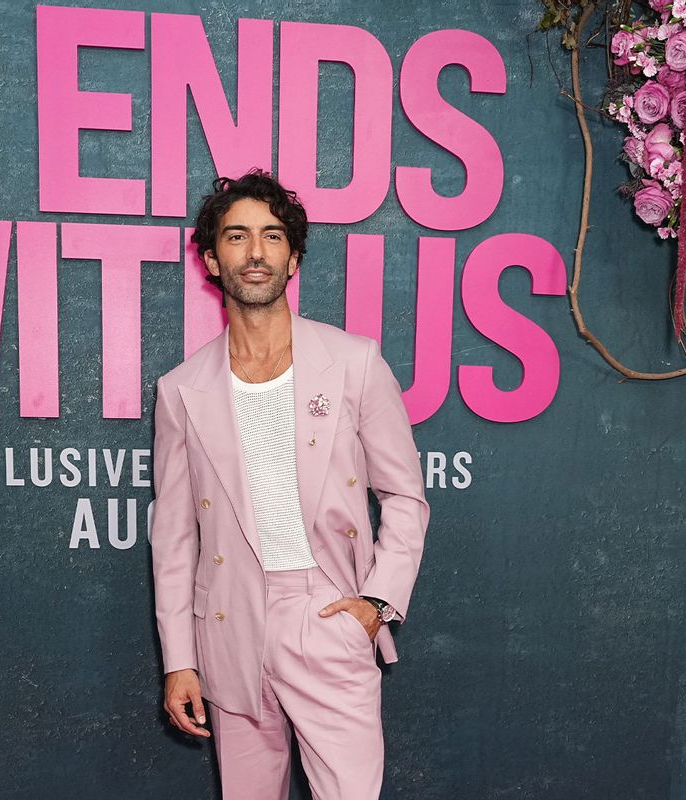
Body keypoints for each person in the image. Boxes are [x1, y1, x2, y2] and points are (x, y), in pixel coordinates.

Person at [150, 169, 430, 800]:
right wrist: (179, 659)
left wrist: (375, 603)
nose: (256, 252)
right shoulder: (180, 390)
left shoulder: (354, 362)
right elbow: (172, 540)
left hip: (328, 614)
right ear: (212, 259)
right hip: (228, 623)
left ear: (293, 256)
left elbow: (406, 497)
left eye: (273, 237)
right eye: (238, 236)